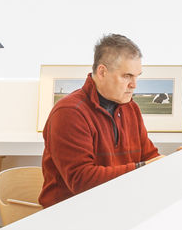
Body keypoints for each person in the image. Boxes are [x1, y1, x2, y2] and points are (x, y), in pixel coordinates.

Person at [39, 33, 162, 207]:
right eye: (127, 76)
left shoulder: (131, 108)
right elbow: (81, 180)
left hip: (115, 206)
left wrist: (172, 163)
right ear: (102, 72)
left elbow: (149, 157)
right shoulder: (69, 113)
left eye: (137, 76)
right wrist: (141, 168)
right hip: (71, 214)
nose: (134, 84)